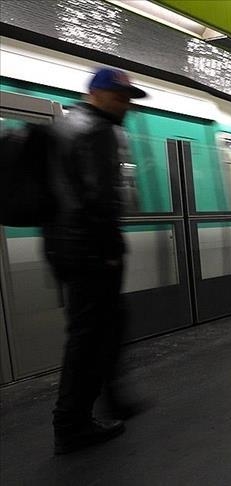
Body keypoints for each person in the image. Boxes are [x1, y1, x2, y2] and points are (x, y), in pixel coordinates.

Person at [43, 67, 147, 454]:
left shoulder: (65, 126)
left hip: (64, 246)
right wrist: (108, 252)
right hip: (90, 251)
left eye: (128, 100)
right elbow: (98, 198)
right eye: (119, 97)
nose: (125, 106)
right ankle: (72, 424)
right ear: (96, 94)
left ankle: (107, 400)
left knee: (99, 329)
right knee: (91, 337)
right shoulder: (98, 131)